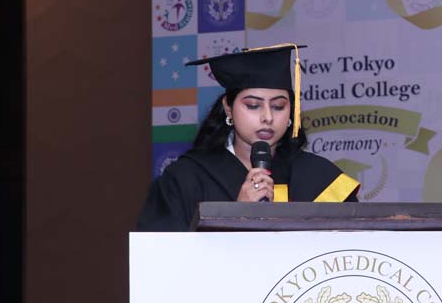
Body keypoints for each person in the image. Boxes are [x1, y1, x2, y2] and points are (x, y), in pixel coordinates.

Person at [137, 43, 359, 231]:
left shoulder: (320, 177)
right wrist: (234, 219)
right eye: (253, 105)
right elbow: (162, 259)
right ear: (228, 107)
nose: (267, 117)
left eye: (278, 106)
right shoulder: (186, 179)